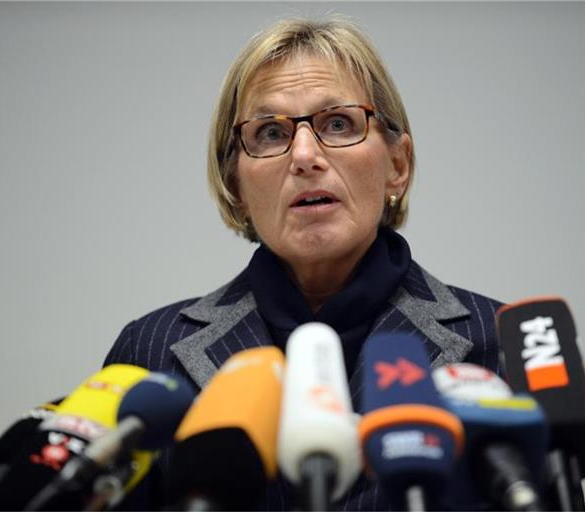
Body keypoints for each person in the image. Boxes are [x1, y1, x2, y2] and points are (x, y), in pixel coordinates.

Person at [104, 17, 503, 511]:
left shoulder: (496, 344)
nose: (305, 156)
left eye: (338, 123)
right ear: (236, 185)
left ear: (397, 165)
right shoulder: (151, 351)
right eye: (270, 133)